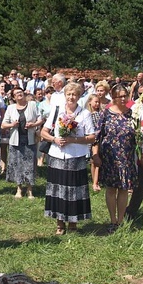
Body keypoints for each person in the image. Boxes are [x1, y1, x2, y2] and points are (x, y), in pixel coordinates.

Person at [40, 82, 95, 235]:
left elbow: (91, 137)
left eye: (74, 95)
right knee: (58, 189)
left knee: (73, 190)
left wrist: (73, 140)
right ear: (65, 95)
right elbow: (43, 132)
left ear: (79, 97)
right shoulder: (57, 111)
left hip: (76, 157)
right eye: (69, 94)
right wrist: (54, 139)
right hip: (57, 155)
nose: (71, 97)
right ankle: (59, 224)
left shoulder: (84, 114)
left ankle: (72, 223)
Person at [94, 84, 138, 233]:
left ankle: (121, 220)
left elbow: (138, 135)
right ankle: (113, 220)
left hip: (126, 156)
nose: (124, 98)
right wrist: (96, 155)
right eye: (121, 96)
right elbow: (97, 136)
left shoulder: (132, 113)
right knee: (112, 189)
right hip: (110, 157)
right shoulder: (106, 114)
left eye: (126, 95)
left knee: (124, 189)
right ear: (114, 98)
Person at [2, 87, 42, 199]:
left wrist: (33, 125)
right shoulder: (10, 108)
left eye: (20, 92)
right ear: (14, 97)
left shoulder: (33, 105)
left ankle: (30, 190)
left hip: (29, 140)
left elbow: (40, 119)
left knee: (30, 165)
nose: (19, 94)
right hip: (16, 141)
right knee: (17, 165)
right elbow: (3, 124)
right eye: (16, 93)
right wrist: (12, 125)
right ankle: (19, 189)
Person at [86, 94, 103, 192]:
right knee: (93, 161)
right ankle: (94, 181)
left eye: (98, 102)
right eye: (95, 102)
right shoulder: (88, 114)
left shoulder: (100, 113)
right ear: (90, 102)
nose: (97, 104)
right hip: (92, 139)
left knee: (97, 159)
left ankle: (96, 181)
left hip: (99, 139)